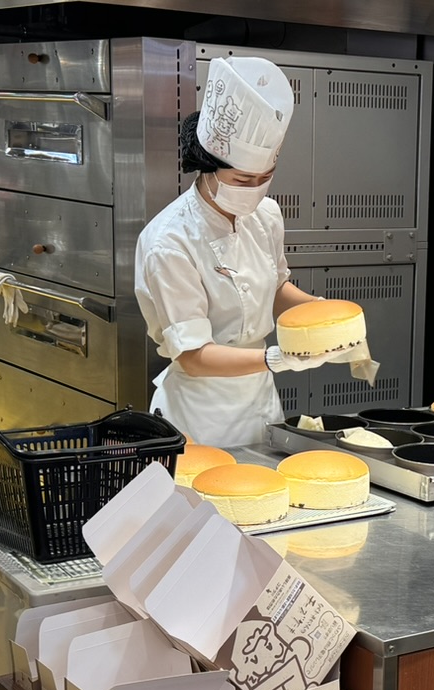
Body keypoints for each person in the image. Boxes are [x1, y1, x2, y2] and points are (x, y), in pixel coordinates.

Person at [135, 57, 346, 447]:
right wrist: (277, 358)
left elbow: (275, 286)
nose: (255, 188)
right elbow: (194, 356)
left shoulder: (265, 214)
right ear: (207, 167)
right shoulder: (170, 241)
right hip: (199, 413)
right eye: (243, 179)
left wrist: (320, 312)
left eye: (265, 178)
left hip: (260, 401)